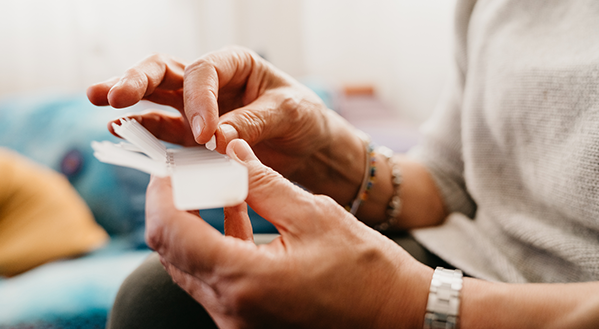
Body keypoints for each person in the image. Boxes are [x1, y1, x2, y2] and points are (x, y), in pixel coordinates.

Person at [87, 0, 599, 327]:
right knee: (157, 301)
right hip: (464, 262)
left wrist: (401, 302)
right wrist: (327, 149)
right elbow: (452, 181)